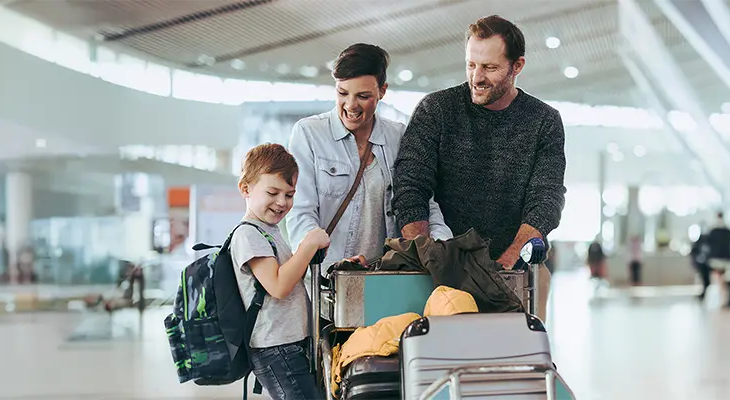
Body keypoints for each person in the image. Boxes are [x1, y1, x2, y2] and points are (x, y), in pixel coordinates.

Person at [392, 15, 566, 321]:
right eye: (471, 65)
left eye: (490, 67)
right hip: (441, 272)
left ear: (518, 66)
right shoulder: (437, 110)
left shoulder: (544, 122)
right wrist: (425, 256)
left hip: (515, 273)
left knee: (519, 361)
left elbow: (546, 197)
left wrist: (510, 259)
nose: (477, 77)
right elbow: (410, 186)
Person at [288, 43, 452, 267]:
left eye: (363, 96)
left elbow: (423, 201)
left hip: (385, 277)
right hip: (328, 280)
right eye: (342, 93)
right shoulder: (309, 133)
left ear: (382, 91)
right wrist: (328, 263)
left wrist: (443, 243)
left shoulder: (399, 136)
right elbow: (300, 212)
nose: (350, 105)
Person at [231, 143, 329, 400]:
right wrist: (308, 244)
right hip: (275, 348)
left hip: (287, 345)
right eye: (272, 192)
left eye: (289, 194)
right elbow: (277, 286)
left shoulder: (269, 231)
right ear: (246, 189)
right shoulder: (248, 234)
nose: (282, 202)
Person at [695, 212, 730, 301]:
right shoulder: (727, 231)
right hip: (725, 259)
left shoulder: (713, 231)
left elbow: (705, 242)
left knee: (718, 278)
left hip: (715, 259)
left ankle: (720, 297)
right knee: (722, 279)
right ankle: (722, 298)